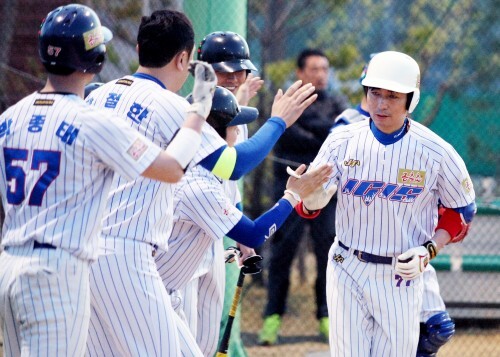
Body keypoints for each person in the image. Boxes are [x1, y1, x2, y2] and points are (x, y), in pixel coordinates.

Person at [84, 10, 318, 356]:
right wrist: (279, 121)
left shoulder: (99, 96)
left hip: (88, 247)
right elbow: (231, 164)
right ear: (184, 58)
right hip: (129, 253)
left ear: (138, 48)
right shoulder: (172, 106)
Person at [0, 4, 218, 356]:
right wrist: (198, 111)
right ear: (95, 58)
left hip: (8, 265)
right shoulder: (91, 121)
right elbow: (174, 167)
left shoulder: (10, 118)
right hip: (56, 271)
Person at [304, 50, 476, 356]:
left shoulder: (437, 152)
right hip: (346, 266)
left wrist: (430, 249)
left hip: (401, 274)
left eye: (392, 96)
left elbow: (461, 211)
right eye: (374, 93)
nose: (381, 104)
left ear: (411, 100)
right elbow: (312, 204)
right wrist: (307, 196)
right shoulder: (341, 140)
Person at [155, 86, 333, 356]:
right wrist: (293, 195)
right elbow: (254, 234)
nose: (238, 133)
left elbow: (241, 221)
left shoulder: (201, 169)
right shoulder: (197, 183)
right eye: (234, 126)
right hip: (153, 291)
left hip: (167, 289)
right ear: (213, 134)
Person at [259, 48, 347, 345]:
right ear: (300, 72)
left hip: (326, 192)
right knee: (281, 254)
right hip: (290, 190)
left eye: (324, 69)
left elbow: (341, 133)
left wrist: (310, 128)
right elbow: (286, 134)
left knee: (327, 253)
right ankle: (272, 320)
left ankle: (325, 317)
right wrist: (321, 133)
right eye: (313, 69)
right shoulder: (289, 100)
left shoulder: (337, 103)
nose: (320, 74)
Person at [198, 30, 264, 356]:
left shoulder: (238, 117)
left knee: (209, 332)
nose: (235, 77)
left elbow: (230, 185)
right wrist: (279, 121)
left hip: (213, 237)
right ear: (203, 70)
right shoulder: (197, 115)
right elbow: (231, 168)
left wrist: (243, 241)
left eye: (241, 70)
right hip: (183, 239)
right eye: (226, 70)